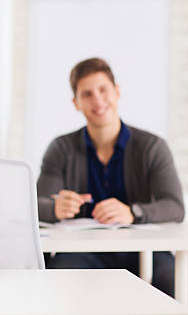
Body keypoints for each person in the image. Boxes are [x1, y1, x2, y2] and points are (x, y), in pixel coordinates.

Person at [37, 57, 184, 297]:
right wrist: (56, 207)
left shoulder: (152, 147)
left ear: (117, 92)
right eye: (87, 94)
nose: (97, 100)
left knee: (173, 285)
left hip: (144, 251)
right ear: (76, 103)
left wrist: (132, 212)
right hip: (82, 252)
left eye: (103, 90)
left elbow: (175, 206)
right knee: (54, 285)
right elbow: (36, 205)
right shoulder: (61, 148)